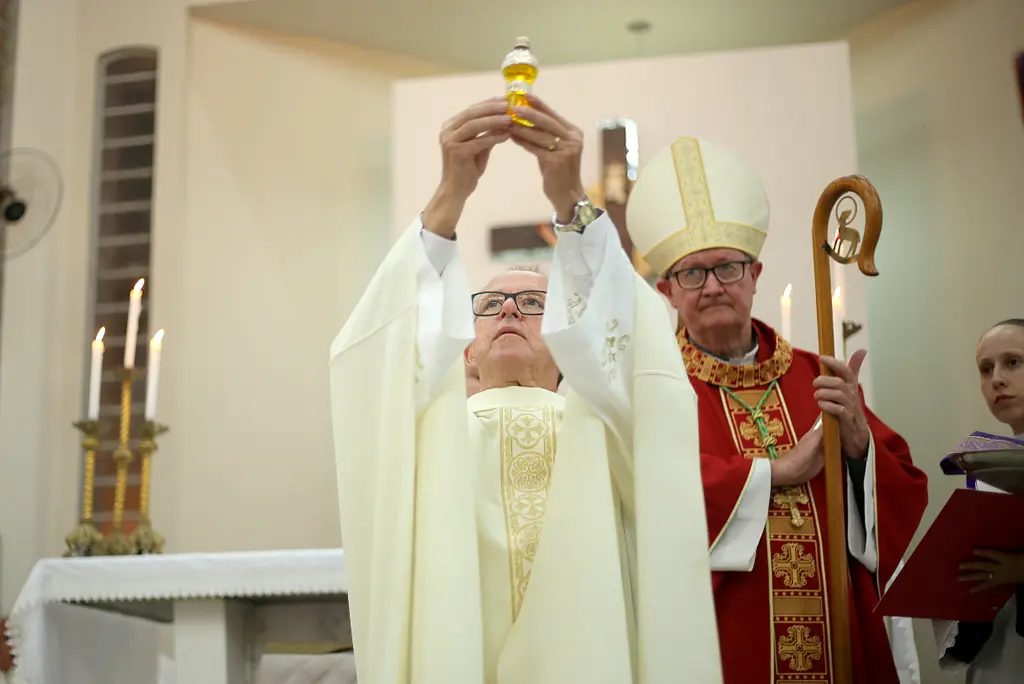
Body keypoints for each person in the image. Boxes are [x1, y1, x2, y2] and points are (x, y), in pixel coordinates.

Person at [329, 97, 721, 684]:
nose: (510, 310)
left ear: (572, 342)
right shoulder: (426, 433)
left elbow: (635, 340)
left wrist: (570, 202)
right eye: (491, 303)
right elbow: (373, 361)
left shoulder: (603, 425)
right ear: (463, 346)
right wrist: (448, 197)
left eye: (535, 304)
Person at [623, 136, 930, 684]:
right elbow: (644, 491)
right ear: (667, 290)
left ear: (756, 276)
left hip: (835, 642)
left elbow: (904, 491)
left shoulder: (818, 376)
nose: (712, 286)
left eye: (727, 268)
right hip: (722, 642)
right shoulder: (654, 386)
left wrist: (859, 443)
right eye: (693, 274)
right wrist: (773, 472)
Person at [933, 318, 1024, 682]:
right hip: (1001, 654)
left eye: (1013, 362)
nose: (996, 379)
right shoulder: (986, 466)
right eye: (986, 369)